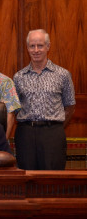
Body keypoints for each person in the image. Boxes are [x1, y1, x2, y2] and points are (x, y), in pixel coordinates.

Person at [13, 29, 75, 170]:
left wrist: (53, 126)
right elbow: (16, 108)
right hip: (26, 134)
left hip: (53, 133)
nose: (36, 50)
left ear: (48, 46)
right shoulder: (18, 77)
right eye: (32, 46)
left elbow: (70, 106)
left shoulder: (63, 75)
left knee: (53, 179)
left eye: (40, 46)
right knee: (27, 177)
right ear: (27, 48)